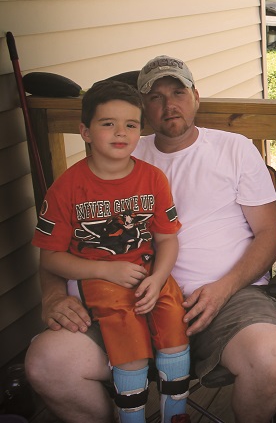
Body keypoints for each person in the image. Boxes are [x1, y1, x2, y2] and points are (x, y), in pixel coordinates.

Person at [25, 55, 276, 423]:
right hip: (118, 302)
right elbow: (59, 245)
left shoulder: (234, 148)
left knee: (272, 358)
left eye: (178, 92)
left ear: (196, 96)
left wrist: (223, 289)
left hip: (225, 298)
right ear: (142, 109)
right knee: (46, 363)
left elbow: (271, 235)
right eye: (155, 96)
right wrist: (54, 296)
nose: (169, 105)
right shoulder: (118, 152)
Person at [31, 80, 190, 423]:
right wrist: (106, 271)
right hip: (98, 277)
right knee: (125, 327)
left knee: (172, 314)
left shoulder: (153, 179)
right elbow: (52, 258)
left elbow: (167, 239)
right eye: (108, 124)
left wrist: (159, 277)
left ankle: (176, 415)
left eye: (131, 125)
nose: (121, 133)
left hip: (149, 271)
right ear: (85, 132)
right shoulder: (66, 189)